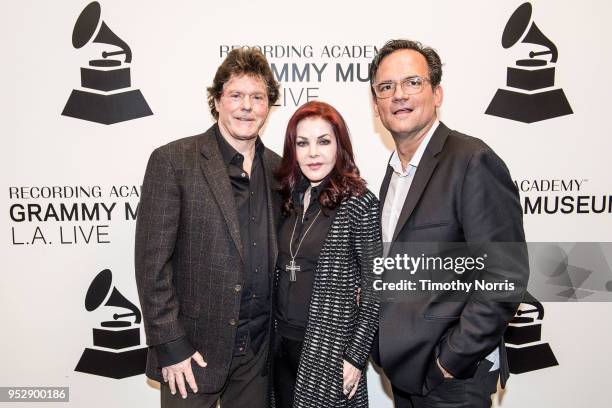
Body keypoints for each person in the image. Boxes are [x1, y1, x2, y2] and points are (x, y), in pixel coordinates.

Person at [369, 39, 529, 408]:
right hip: (406, 372)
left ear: (437, 93)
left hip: (455, 380)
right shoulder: (393, 174)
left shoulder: (472, 161)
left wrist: (449, 361)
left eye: (413, 82)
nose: (399, 95)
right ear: (377, 105)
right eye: (386, 87)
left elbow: (504, 277)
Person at [135, 48, 281, 408]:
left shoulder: (281, 171)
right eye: (235, 95)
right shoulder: (174, 161)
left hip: (258, 355)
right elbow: (151, 264)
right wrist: (170, 344)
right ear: (217, 101)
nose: (246, 106)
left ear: (268, 106)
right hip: (191, 354)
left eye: (257, 97)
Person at [273, 101, 381, 407]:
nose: (313, 153)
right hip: (280, 346)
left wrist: (356, 356)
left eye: (323, 142)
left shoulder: (360, 204)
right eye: (302, 143)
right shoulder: (289, 199)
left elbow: (376, 288)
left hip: (329, 351)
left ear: (340, 146)